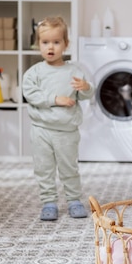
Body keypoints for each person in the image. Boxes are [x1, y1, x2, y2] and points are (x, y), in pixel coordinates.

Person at [22, 16, 95, 221]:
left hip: (66, 132)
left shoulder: (74, 71)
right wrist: (55, 99)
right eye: (45, 42)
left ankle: (73, 200)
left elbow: (86, 95)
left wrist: (87, 87)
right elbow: (30, 94)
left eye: (56, 42)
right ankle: (49, 202)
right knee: (43, 169)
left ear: (65, 44)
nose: (50, 47)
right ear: (38, 45)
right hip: (41, 130)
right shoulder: (34, 73)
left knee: (69, 167)